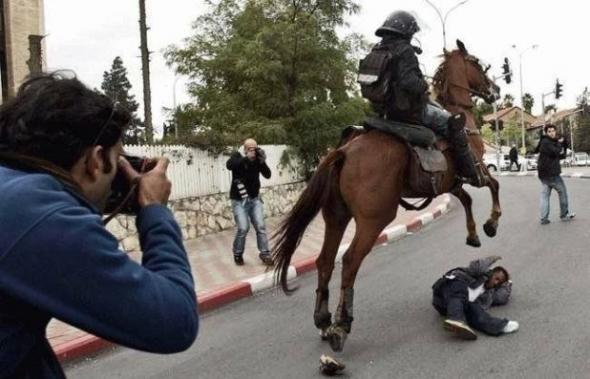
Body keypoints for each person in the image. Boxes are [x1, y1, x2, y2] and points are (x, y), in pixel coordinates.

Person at [0, 73, 199, 378]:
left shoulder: (12, 190)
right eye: (118, 160)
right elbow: (175, 321)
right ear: (95, 161)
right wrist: (155, 210)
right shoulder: (39, 215)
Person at [360, 10, 478, 182]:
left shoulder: (377, 50)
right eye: (412, 32)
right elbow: (410, 82)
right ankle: (468, 172)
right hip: (409, 111)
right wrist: (423, 84)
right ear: (406, 32)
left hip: (383, 109)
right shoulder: (405, 50)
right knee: (454, 125)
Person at [431, 256, 519, 340]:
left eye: (499, 282)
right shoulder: (478, 274)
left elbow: (502, 297)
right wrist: (490, 260)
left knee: (477, 312)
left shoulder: (489, 295)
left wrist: (508, 282)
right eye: (496, 278)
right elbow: (476, 267)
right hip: (445, 292)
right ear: (491, 273)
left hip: (448, 308)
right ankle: (456, 319)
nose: (496, 283)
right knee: (460, 291)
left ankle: (501, 326)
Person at [226, 139, 273, 266]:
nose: (253, 150)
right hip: (239, 200)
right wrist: (247, 158)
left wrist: (262, 162)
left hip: (254, 199)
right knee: (243, 228)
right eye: (250, 148)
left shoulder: (258, 160)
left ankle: (265, 253)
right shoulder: (237, 157)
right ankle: (237, 253)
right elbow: (229, 165)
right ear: (245, 149)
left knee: (261, 226)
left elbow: (268, 175)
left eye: (255, 148)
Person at [537, 124, 575, 225]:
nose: (552, 133)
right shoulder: (546, 142)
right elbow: (555, 151)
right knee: (562, 192)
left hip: (544, 174)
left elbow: (559, 156)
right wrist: (559, 143)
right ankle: (564, 215)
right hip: (551, 174)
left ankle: (544, 218)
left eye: (553, 131)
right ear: (546, 132)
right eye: (549, 131)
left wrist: (565, 145)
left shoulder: (549, 142)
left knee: (545, 195)